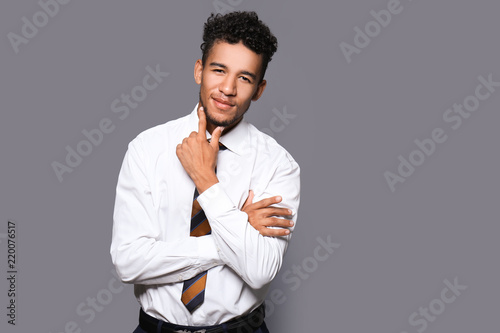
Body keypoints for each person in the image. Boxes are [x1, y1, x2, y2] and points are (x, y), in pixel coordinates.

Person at [110, 11, 300, 333]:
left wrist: (206, 180)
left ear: (259, 89)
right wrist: (235, 232)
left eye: (244, 78)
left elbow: (260, 270)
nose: (227, 88)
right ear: (199, 71)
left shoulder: (278, 164)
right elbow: (128, 262)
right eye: (219, 70)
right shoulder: (147, 149)